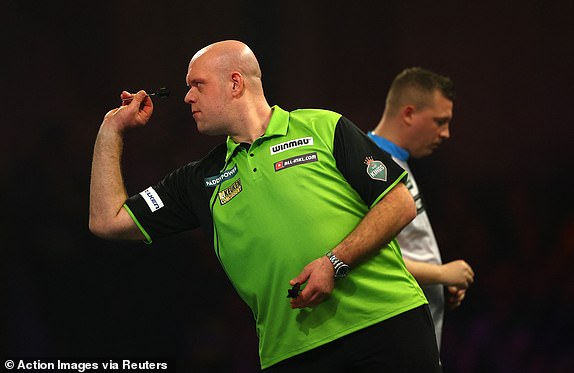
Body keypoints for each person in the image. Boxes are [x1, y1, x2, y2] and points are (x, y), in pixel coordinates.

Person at [89, 40, 442, 371]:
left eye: (197, 85)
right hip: (292, 351)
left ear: (235, 83)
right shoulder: (197, 181)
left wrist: (335, 263)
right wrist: (111, 131)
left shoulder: (322, 126)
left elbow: (399, 204)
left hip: (387, 323)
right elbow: (107, 221)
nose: (186, 97)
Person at [368, 67, 475, 352]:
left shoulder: (395, 164)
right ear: (409, 113)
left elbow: (407, 248)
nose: (446, 133)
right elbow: (370, 258)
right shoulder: (371, 168)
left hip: (418, 335)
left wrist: (438, 283)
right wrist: (441, 275)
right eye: (440, 121)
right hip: (395, 340)